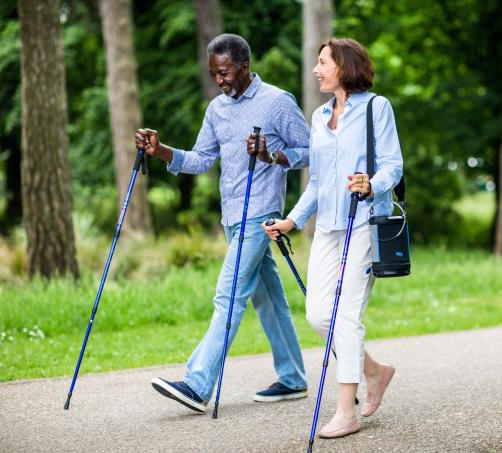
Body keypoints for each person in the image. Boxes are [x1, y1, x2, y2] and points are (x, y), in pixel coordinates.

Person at [135, 33, 309, 413]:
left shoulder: (277, 102)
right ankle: (294, 377)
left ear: (245, 66)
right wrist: (161, 150)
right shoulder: (217, 108)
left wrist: (273, 155)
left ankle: (198, 384)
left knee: (227, 295)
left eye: (225, 72)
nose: (219, 80)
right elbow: (201, 159)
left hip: (261, 213)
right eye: (214, 73)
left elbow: (311, 151)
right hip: (231, 215)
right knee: (268, 300)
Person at [263, 38, 402, 438]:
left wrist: (371, 183)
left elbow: (393, 166)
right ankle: (375, 373)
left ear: (343, 65)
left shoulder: (378, 108)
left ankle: (347, 411)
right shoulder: (320, 116)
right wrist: (291, 220)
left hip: (365, 222)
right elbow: (318, 182)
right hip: (327, 227)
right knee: (319, 314)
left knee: (346, 316)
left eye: (322, 62)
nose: (316, 69)